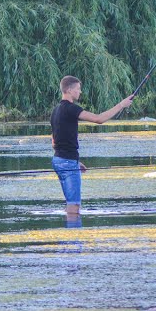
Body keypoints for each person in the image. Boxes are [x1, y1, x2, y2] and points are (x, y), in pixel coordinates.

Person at [50, 76, 134, 218]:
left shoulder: (56, 110)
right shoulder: (71, 109)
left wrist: (76, 162)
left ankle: (69, 236)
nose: (80, 91)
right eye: (78, 89)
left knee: (70, 202)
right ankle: (74, 238)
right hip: (68, 162)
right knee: (74, 205)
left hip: (59, 160)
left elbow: (54, 141)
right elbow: (98, 119)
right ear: (69, 90)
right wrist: (121, 105)